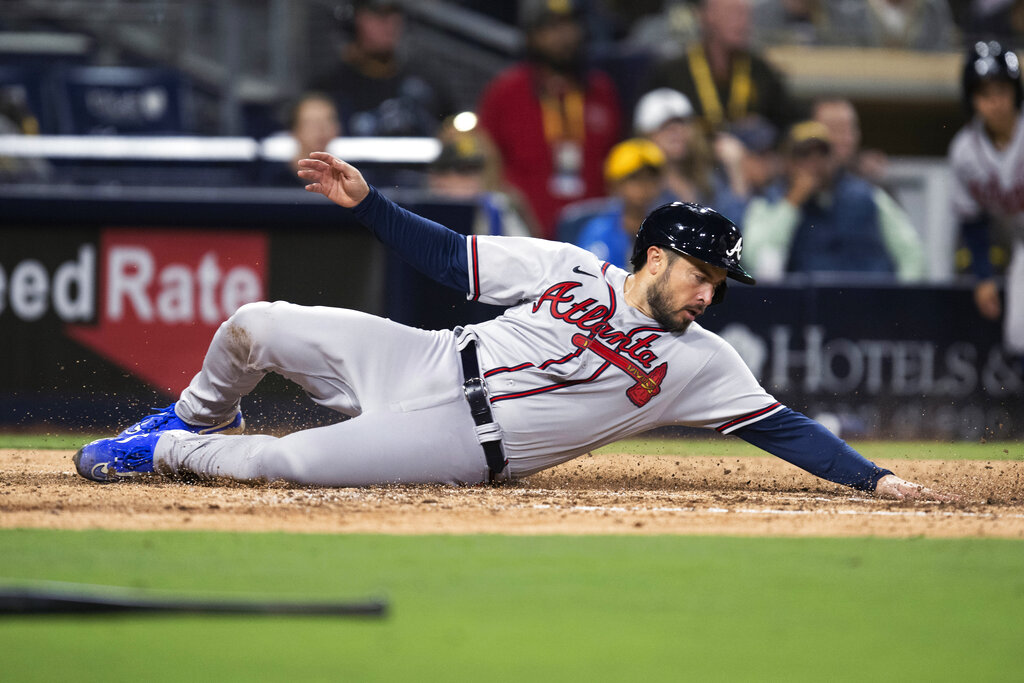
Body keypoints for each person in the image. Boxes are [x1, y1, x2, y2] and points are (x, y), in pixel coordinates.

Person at [72, 151, 946, 502]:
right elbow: (454, 261)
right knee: (256, 322)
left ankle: (157, 454)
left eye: (719, 280)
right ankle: (191, 419)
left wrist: (873, 481)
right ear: (656, 256)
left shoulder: (703, 362)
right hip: (425, 357)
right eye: (703, 273)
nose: (712, 293)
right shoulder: (574, 266)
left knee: (286, 464)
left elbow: (784, 427)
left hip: (465, 439)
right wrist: (371, 204)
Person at [476, 0, 622, 239]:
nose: (564, 37)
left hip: (593, 241)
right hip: (525, 240)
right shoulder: (505, 91)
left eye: (569, 26)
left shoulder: (601, 90)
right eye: (551, 28)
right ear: (531, 36)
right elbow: (487, 161)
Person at [742, 120, 926, 282]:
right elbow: (756, 260)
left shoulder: (867, 195)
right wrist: (792, 203)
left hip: (871, 304)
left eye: (822, 153)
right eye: (804, 154)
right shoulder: (769, 202)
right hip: (810, 311)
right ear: (788, 162)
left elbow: (912, 253)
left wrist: (900, 299)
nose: (815, 161)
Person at [949, 40, 1024, 367]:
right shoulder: (965, 151)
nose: (995, 102)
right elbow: (973, 220)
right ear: (972, 100)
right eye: (984, 94)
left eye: (1002, 91)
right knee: (1019, 335)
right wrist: (983, 276)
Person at [643, 0, 799, 132]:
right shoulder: (673, 72)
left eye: (745, 14)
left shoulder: (761, 71)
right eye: (732, 14)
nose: (742, 23)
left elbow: (789, 125)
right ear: (707, 16)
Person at [308, 0, 454, 137]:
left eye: (394, 14)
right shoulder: (330, 89)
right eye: (378, 15)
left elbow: (454, 132)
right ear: (355, 21)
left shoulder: (426, 81)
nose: (388, 23)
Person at [574, 138, 667, 268]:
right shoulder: (599, 231)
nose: (644, 186)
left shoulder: (666, 231)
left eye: (651, 179)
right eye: (634, 179)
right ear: (615, 185)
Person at [426, 134, 536, 238]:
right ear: (440, 179)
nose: (471, 180)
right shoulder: (423, 211)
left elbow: (523, 249)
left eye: (475, 170)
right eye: (463, 172)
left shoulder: (496, 206)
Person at [260, 92, 341, 187]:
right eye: (311, 123)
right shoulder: (272, 179)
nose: (321, 130)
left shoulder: (350, 178)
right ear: (294, 129)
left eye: (328, 121)